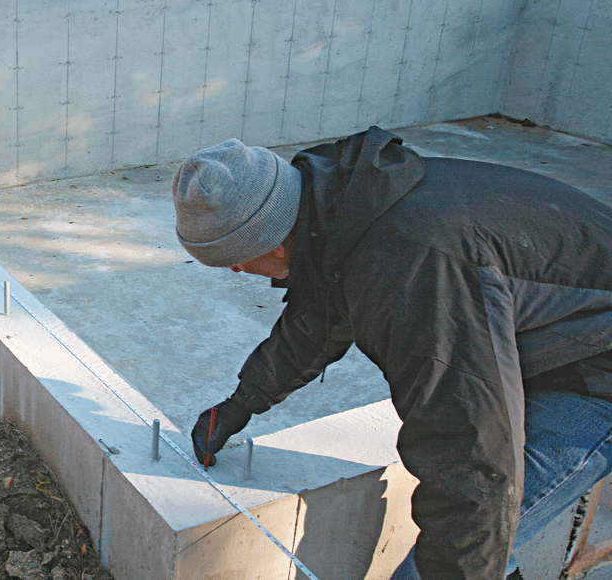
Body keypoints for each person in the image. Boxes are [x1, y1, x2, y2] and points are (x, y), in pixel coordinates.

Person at [172, 127, 612, 580]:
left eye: (235, 260)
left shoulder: (414, 268)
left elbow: (468, 442)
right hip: (561, 343)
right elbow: (321, 318)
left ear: (270, 241)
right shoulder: (347, 209)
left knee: (450, 555)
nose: (239, 270)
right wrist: (242, 403)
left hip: (596, 372)